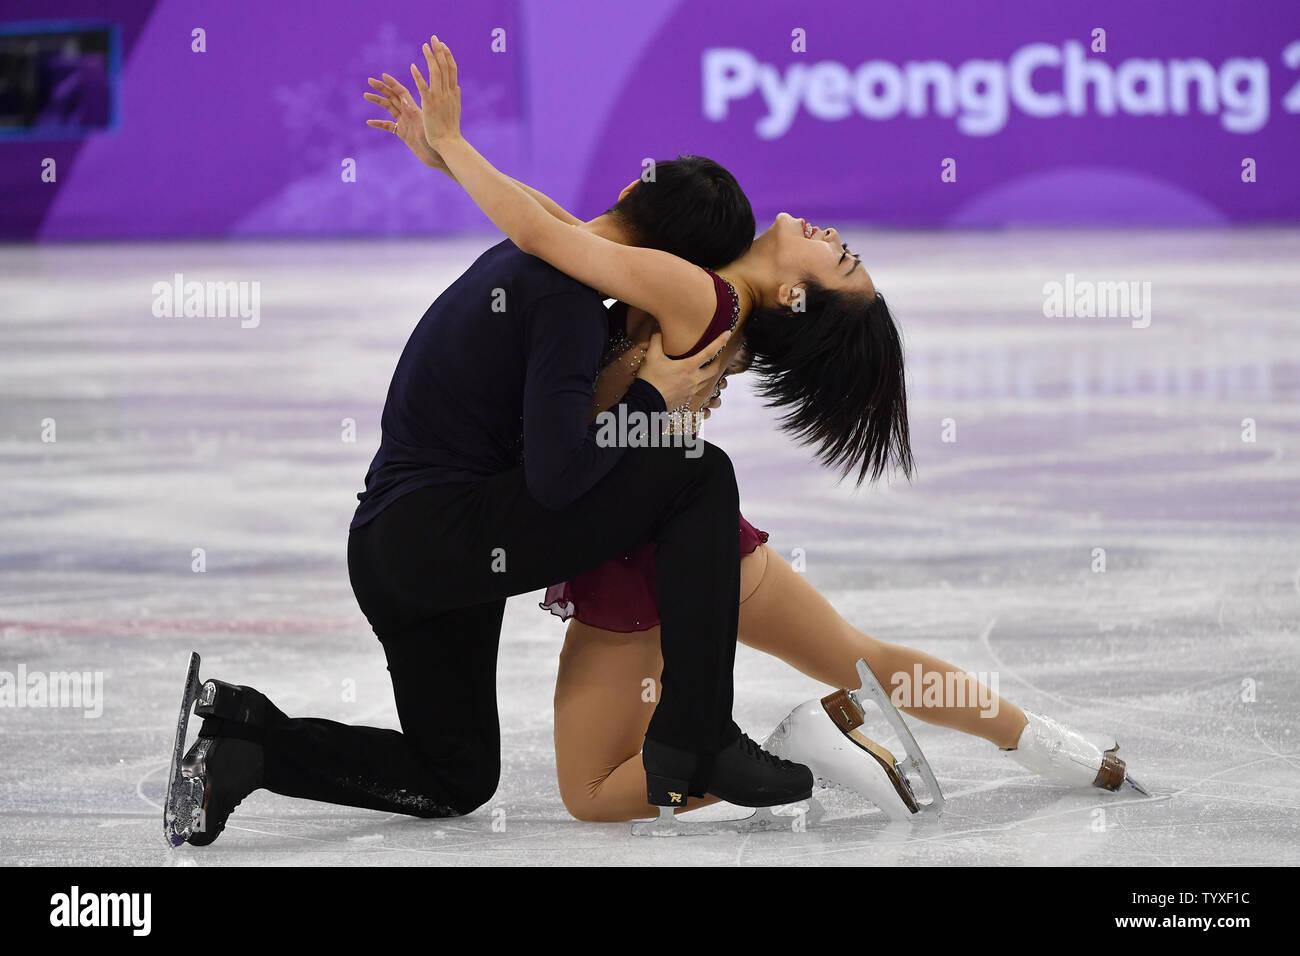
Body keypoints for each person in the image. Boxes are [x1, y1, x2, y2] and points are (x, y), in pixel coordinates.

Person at [367, 38, 1145, 824]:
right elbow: (579, 229)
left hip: (629, 543)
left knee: (597, 795)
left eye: (839, 260)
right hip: (681, 537)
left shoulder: (696, 292)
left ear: (797, 297)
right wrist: (447, 162)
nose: (832, 237)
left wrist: (457, 147)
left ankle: (808, 749)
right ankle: (1054, 748)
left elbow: (547, 238)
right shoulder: (703, 293)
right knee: (861, 655)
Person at [163, 62, 824, 853]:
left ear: (625, 197)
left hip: (397, 554)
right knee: (698, 472)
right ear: (672, 268)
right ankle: (699, 732)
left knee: (455, 777)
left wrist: (451, 151)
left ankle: (247, 737)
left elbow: (549, 220)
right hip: (442, 539)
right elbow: (558, 478)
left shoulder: (537, 265)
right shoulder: (566, 301)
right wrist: (650, 399)